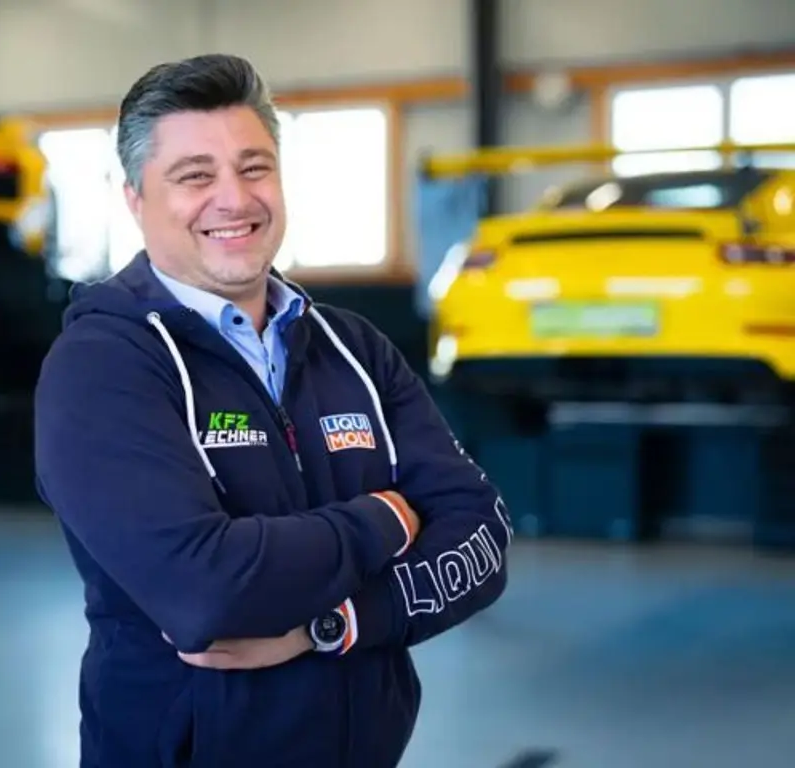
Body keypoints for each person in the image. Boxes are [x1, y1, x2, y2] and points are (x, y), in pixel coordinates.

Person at [34, 52, 513, 768]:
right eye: (195, 176)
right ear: (135, 198)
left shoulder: (354, 349)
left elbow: (481, 537)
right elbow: (206, 593)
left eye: (253, 168)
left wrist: (334, 623)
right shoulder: (103, 365)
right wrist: (385, 519)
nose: (234, 199)